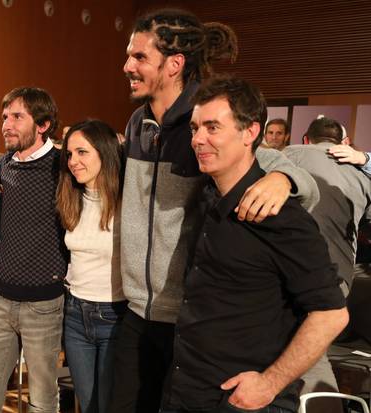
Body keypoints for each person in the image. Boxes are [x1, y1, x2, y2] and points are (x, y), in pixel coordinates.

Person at [112, 8, 319, 412]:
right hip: (137, 312)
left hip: (188, 322)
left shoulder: (202, 121)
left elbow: (272, 164)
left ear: (174, 64)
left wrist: (285, 179)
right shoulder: (138, 123)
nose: (127, 66)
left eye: (139, 57)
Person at [161, 74, 348, 413]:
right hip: (187, 389)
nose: (198, 139)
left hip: (241, 400)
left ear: (250, 133)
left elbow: (332, 314)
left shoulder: (283, 217)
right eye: (195, 128)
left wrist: (270, 383)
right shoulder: (205, 196)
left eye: (213, 127)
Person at [0, 87, 66, 413]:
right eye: (4, 117)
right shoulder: (5, 163)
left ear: (43, 125)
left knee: (42, 403)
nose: (6, 125)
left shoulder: (63, 167)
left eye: (17, 117)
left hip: (44, 304)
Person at [284, 117, 371, 412]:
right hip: (338, 279)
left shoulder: (288, 155)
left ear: (306, 139)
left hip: (290, 270)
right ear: (342, 143)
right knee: (309, 349)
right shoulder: (360, 171)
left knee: (304, 352)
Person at [55, 119, 125, 413]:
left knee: (109, 406)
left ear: (104, 152)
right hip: (74, 314)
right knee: (88, 406)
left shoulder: (126, 200)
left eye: (82, 152)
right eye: (70, 154)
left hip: (115, 315)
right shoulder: (71, 196)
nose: (73, 161)